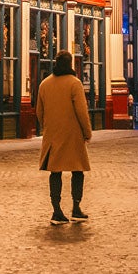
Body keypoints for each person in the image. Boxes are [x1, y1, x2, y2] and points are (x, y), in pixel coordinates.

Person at [33, 51, 92, 223]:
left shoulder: (45, 84)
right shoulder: (75, 84)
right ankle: (76, 207)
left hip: (52, 135)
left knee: (55, 172)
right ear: (70, 64)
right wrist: (87, 132)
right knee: (78, 171)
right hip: (73, 136)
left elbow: (39, 111)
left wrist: (48, 127)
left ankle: (56, 210)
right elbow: (82, 111)